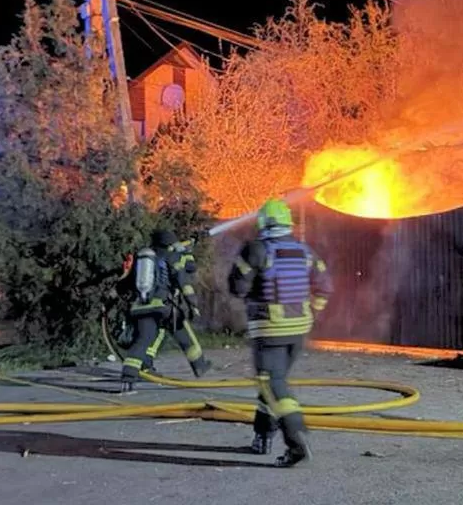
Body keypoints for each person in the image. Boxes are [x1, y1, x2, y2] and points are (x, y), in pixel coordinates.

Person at [228, 199, 332, 467]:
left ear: (263, 222)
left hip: (269, 328)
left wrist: (252, 288)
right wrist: (311, 313)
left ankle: (296, 439)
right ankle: (262, 436)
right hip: (298, 330)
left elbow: (237, 287)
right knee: (273, 383)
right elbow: (324, 288)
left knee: (272, 383)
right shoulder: (305, 252)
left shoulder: (256, 249)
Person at [119, 229, 211, 391]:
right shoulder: (173, 256)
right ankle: (200, 365)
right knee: (183, 334)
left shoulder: (143, 258)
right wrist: (193, 304)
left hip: (140, 307)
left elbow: (125, 283)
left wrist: (114, 293)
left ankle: (129, 376)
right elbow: (186, 275)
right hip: (164, 306)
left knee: (144, 339)